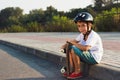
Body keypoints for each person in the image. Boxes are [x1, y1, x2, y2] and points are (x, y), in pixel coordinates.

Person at [61, 12, 103, 79]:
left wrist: (72, 43)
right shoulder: (82, 35)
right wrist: (64, 46)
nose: (81, 28)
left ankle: (77, 72)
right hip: (87, 55)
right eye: (79, 26)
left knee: (74, 48)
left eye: (83, 25)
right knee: (70, 47)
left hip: (94, 57)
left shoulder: (93, 35)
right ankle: (70, 70)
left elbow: (85, 48)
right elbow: (74, 41)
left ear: (89, 25)